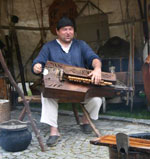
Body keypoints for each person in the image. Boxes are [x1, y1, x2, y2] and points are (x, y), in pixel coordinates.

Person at [32, 16, 102, 147]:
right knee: (47, 95)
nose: (68, 32)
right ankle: (54, 131)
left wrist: (97, 68)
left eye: (70, 29)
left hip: (79, 86)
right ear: (57, 31)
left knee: (97, 99)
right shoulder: (49, 47)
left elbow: (94, 58)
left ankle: (85, 120)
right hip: (57, 86)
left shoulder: (81, 45)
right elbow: (38, 62)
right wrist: (36, 67)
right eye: (64, 29)